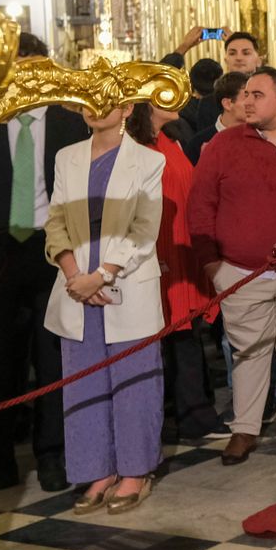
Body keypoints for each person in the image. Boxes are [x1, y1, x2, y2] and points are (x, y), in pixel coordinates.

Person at [189, 67, 276, 466]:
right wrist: (211, 263)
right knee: (248, 351)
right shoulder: (222, 145)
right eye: (245, 94)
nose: (246, 101)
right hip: (241, 269)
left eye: (257, 94)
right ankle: (245, 429)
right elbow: (201, 205)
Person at [0, 33, 88, 495]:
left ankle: (53, 456)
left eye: (33, 68)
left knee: (53, 358)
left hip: (52, 250)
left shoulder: (69, 123)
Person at [44, 103, 166, 515]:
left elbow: (145, 227)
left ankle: (135, 471)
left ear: (127, 107)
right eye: (88, 103)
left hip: (125, 277)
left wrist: (103, 275)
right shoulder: (67, 156)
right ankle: (96, 470)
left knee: (134, 379)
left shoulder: (149, 159)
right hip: (74, 279)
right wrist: (75, 273)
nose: (96, 110)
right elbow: (56, 219)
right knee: (83, 380)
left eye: (107, 101)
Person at [125, 103, 226, 443]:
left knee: (187, 333)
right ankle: (184, 415)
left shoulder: (173, 138)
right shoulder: (134, 145)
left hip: (183, 247)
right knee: (170, 336)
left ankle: (193, 412)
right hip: (157, 250)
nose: (176, 101)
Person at [184, 71, 249, 165]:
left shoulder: (261, 137)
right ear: (227, 104)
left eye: (255, 97)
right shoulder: (198, 143)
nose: (252, 103)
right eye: (246, 97)